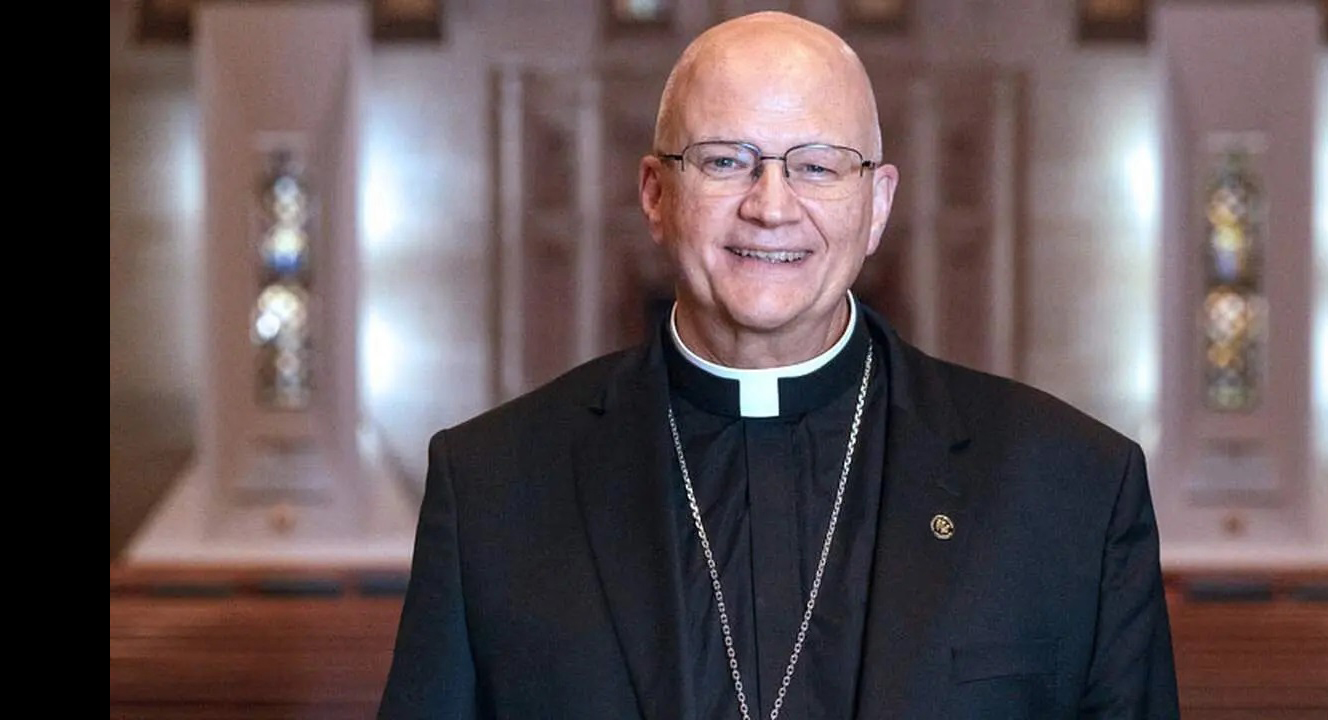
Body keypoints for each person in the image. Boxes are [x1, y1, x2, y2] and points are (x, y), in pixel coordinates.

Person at [378, 11, 1178, 720]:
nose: (770, 206)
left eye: (818, 166)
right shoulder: (492, 488)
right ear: (655, 194)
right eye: (725, 161)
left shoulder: (1070, 487)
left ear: (878, 204)